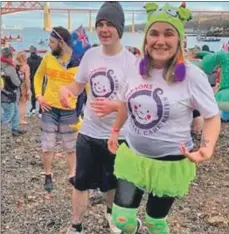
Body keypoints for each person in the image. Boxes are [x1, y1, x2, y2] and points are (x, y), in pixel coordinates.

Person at [107, 3, 221, 234]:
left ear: (179, 40)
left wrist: (206, 148)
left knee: (156, 223)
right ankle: (135, 226)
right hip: (134, 158)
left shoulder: (192, 76)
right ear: (146, 39)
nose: (161, 40)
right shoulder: (133, 70)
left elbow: (211, 116)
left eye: (169, 33)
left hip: (171, 163)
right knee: (122, 222)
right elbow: (125, 105)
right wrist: (115, 130)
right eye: (154, 33)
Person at [59, 2, 137, 233]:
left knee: (112, 182)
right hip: (89, 132)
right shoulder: (91, 55)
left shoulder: (131, 62)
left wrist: (115, 106)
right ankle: (76, 225)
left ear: (119, 29)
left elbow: (138, 102)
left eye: (110, 24)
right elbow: (77, 84)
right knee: (80, 182)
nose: (104, 29)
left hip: (119, 135)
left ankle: (111, 215)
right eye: (100, 24)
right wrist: (66, 91)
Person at [34, 26, 83, 196]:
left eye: (52, 42)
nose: (49, 45)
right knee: (48, 146)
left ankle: (72, 175)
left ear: (61, 43)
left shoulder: (77, 62)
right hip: (49, 108)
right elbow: (38, 76)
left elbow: (87, 86)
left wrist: (89, 111)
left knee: (71, 147)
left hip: (69, 110)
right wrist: (39, 96)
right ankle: (48, 175)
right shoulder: (48, 58)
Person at [1, 48, 26, 136]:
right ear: (10, 56)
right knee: (9, 113)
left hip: (3, 92)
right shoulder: (10, 67)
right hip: (8, 94)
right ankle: (14, 128)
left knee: (15, 111)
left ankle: (15, 129)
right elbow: (17, 82)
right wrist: (21, 77)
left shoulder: (1, 65)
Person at [15, 51, 31, 124]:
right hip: (23, 87)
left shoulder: (15, 65)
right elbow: (27, 79)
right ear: (24, 58)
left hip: (14, 87)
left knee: (15, 104)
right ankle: (21, 119)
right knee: (23, 103)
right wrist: (28, 89)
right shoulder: (26, 66)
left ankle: (15, 119)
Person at [27, 45, 43, 116]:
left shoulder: (28, 60)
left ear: (30, 51)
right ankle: (40, 111)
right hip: (40, 79)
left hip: (32, 79)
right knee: (40, 94)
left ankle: (33, 108)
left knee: (33, 95)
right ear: (36, 51)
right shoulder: (41, 59)